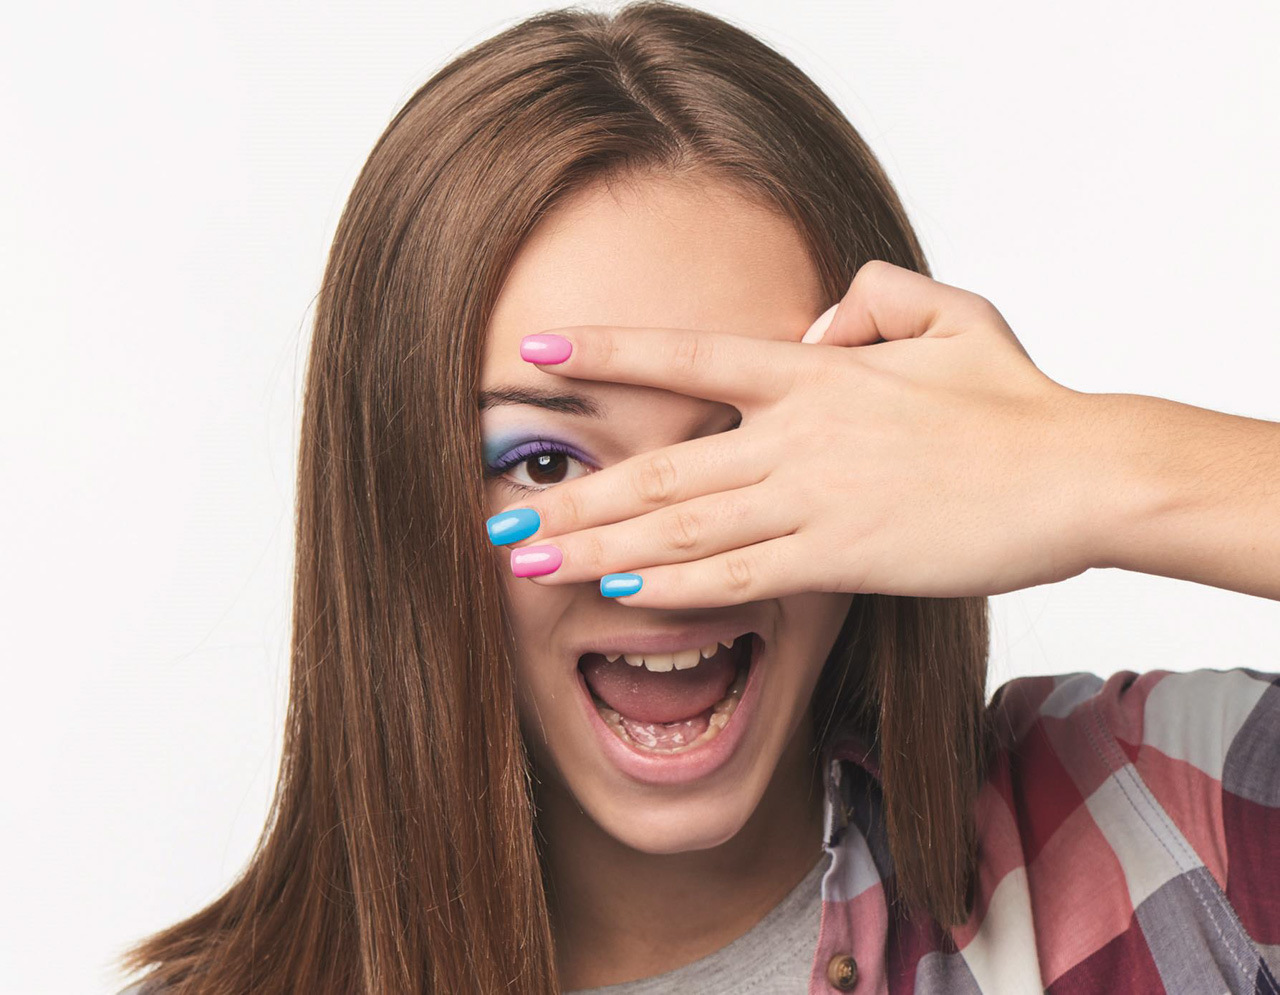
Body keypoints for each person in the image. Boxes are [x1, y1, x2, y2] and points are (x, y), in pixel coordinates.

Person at [115, 2, 1280, 993]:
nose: (666, 563)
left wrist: (1093, 467)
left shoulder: (1164, 817)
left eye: (748, 446)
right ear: (398, 502)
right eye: (542, 462)